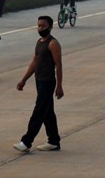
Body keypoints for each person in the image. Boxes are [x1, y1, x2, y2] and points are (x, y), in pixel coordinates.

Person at [14, 15, 63, 153]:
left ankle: (26, 141)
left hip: (48, 82)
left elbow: (58, 65)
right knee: (48, 113)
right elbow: (35, 62)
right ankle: (53, 141)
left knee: (39, 111)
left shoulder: (53, 44)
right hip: (39, 81)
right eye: (39, 25)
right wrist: (24, 80)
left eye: (43, 26)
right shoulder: (39, 42)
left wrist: (59, 86)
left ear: (50, 27)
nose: (40, 28)